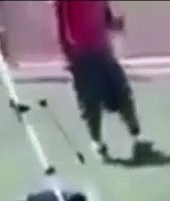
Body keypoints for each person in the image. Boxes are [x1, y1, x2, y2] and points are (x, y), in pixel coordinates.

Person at [52, 0, 153, 162]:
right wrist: (70, 54)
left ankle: (138, 137)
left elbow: (105, 16)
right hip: (82, 54)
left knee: (122, 91)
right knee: (90, 101)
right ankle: (97, 143)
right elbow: (63, 25)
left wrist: (114, 24)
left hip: (103, 50)